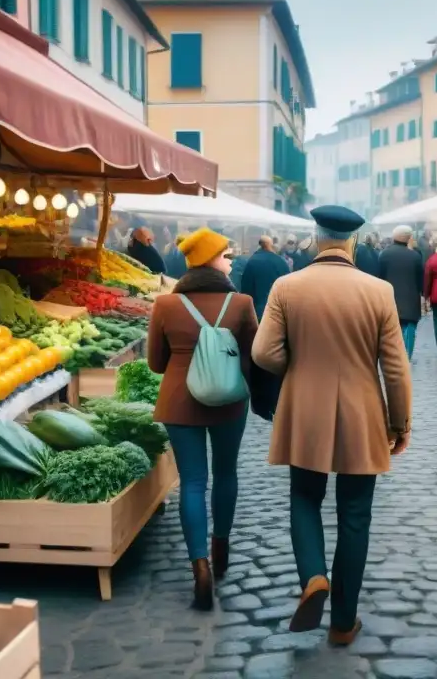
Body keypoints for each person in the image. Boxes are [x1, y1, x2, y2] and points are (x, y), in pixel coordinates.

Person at [252, 205, 412, 647]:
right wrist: (399, 424)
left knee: (304, 498)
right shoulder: (378, 291)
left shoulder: (287, 286)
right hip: (362, 412)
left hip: (304, 407)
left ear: (315, 239)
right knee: (355, 515)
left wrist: (296, 366)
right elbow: (396, 369)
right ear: (353, 242)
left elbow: (263, 352)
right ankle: (343, 623)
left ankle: (313, 576)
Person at [146, 228, 259, 611]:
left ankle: (201, 569)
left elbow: (156, 364)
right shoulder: (242, 303)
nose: (230, 260)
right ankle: (221, 548)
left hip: (180, 403)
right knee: (226, 473)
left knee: (192, 482)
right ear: (210, 260)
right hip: (229, 403)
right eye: (225, 254)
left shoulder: (165, 305)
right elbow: (253, 356)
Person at [378, 225, 424, 358]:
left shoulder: (384, 254)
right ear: (409, 238)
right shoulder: (415, 256)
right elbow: (420, 279)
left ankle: (392, 354)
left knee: (390, 329)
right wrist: (422, 294)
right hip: (410, 300)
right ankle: (406, 356)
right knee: (409, 328)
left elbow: (379, 277)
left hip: (389, 298)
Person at [241, 236, 292, 320]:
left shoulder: (252, 261)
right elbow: (288, 287)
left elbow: (246, 290)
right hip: (279, 311)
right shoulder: (281, 261)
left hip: (258, 312)